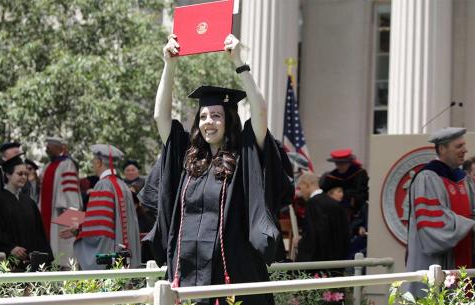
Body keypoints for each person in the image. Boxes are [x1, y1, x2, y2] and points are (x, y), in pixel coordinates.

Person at [151, 34, 293, 305]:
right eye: (203, 116)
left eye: (216, 115)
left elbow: (260, 113)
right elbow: (161, 117)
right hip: (187, 273)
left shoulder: (245, 156)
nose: (208, 122)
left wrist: (240, 62)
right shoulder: (188, 159)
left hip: (234, 273)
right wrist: (168, 64)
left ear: (228, 120)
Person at [405, 127, 475, 297]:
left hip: (464, 253)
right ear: (442, 149)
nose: (465, 150)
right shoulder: (427, 177)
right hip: (438, 259)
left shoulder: (462, 178)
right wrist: (470, 225)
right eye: (458, 146)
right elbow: (433, 222)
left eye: (464, 145)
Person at [60, 144, 141, 270]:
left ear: (99, 163)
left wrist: (78, 229)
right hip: (127, 254)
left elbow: (99, 228)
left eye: (93, 162)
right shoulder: (123, 185)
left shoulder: (103, 185)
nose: (92, 165)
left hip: (111, 256)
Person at [0, 156, 52, 271]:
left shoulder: (29, 202)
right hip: (7, 261)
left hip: (30, 261)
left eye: (25, 174)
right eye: (19, 174)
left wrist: (42, 258)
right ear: (8, 175)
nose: (24, 177)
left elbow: (39, 234)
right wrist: (10, 248)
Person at [39, 137, 82, 267]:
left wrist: (74, 217)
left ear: (59, 148)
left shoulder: (67, 164)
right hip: (47, 213)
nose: (47, 148)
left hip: (62, 213)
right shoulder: (47, 166)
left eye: (50, 146)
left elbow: (71, 191)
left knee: (66, 248)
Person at [296, 173, 350, 264]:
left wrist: (300, 243)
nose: (300, 193)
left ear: (307, 184)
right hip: (337, 262)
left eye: (300, 188)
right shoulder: (335, 204)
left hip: (320, 264)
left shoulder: (312, 204)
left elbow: (313, 236)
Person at [321, 148, 369, 234]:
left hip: (355, 210)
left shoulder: (360, 174)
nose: (339, 166)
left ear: (349, 162)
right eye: (337, 163)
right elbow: (324, 194)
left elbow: (363, 194)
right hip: (334, 211)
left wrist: (349, 198)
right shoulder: (331, 177)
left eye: (342, 163)